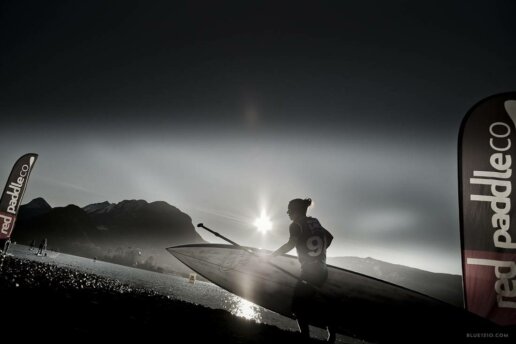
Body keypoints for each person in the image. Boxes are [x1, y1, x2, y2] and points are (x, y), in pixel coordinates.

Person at [270, 198, 336, 343]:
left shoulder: (295, 225)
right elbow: (330, 238)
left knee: (298, 306)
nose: (287, 212)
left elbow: (290, 244)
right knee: (313, 302)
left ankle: (305, 337)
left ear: (296, 211)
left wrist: (272, 255)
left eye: (289, 209)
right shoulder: (315, 222)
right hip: (322, 270)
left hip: (308, 272)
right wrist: (318, 253)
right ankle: (331, 334)